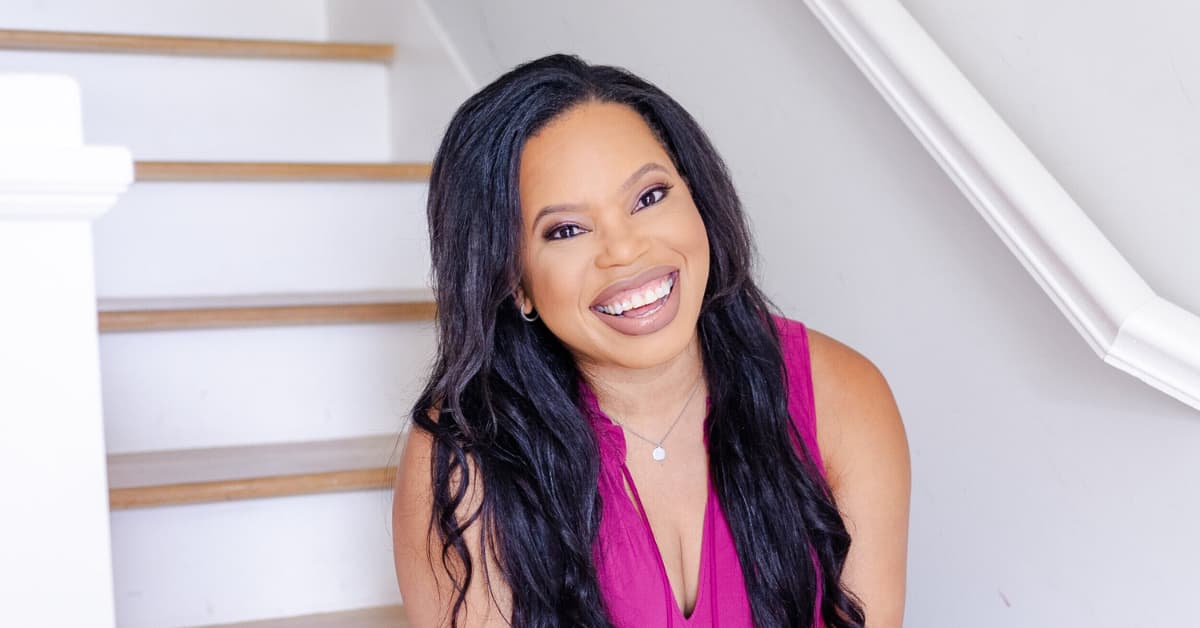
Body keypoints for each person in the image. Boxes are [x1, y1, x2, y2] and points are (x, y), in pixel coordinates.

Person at [392, 53, 910, 628]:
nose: (625, 250)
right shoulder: (464, 458)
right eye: (566, 230)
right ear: (516, 284)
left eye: (649, 197)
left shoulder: (844, 398)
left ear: (698, 201)